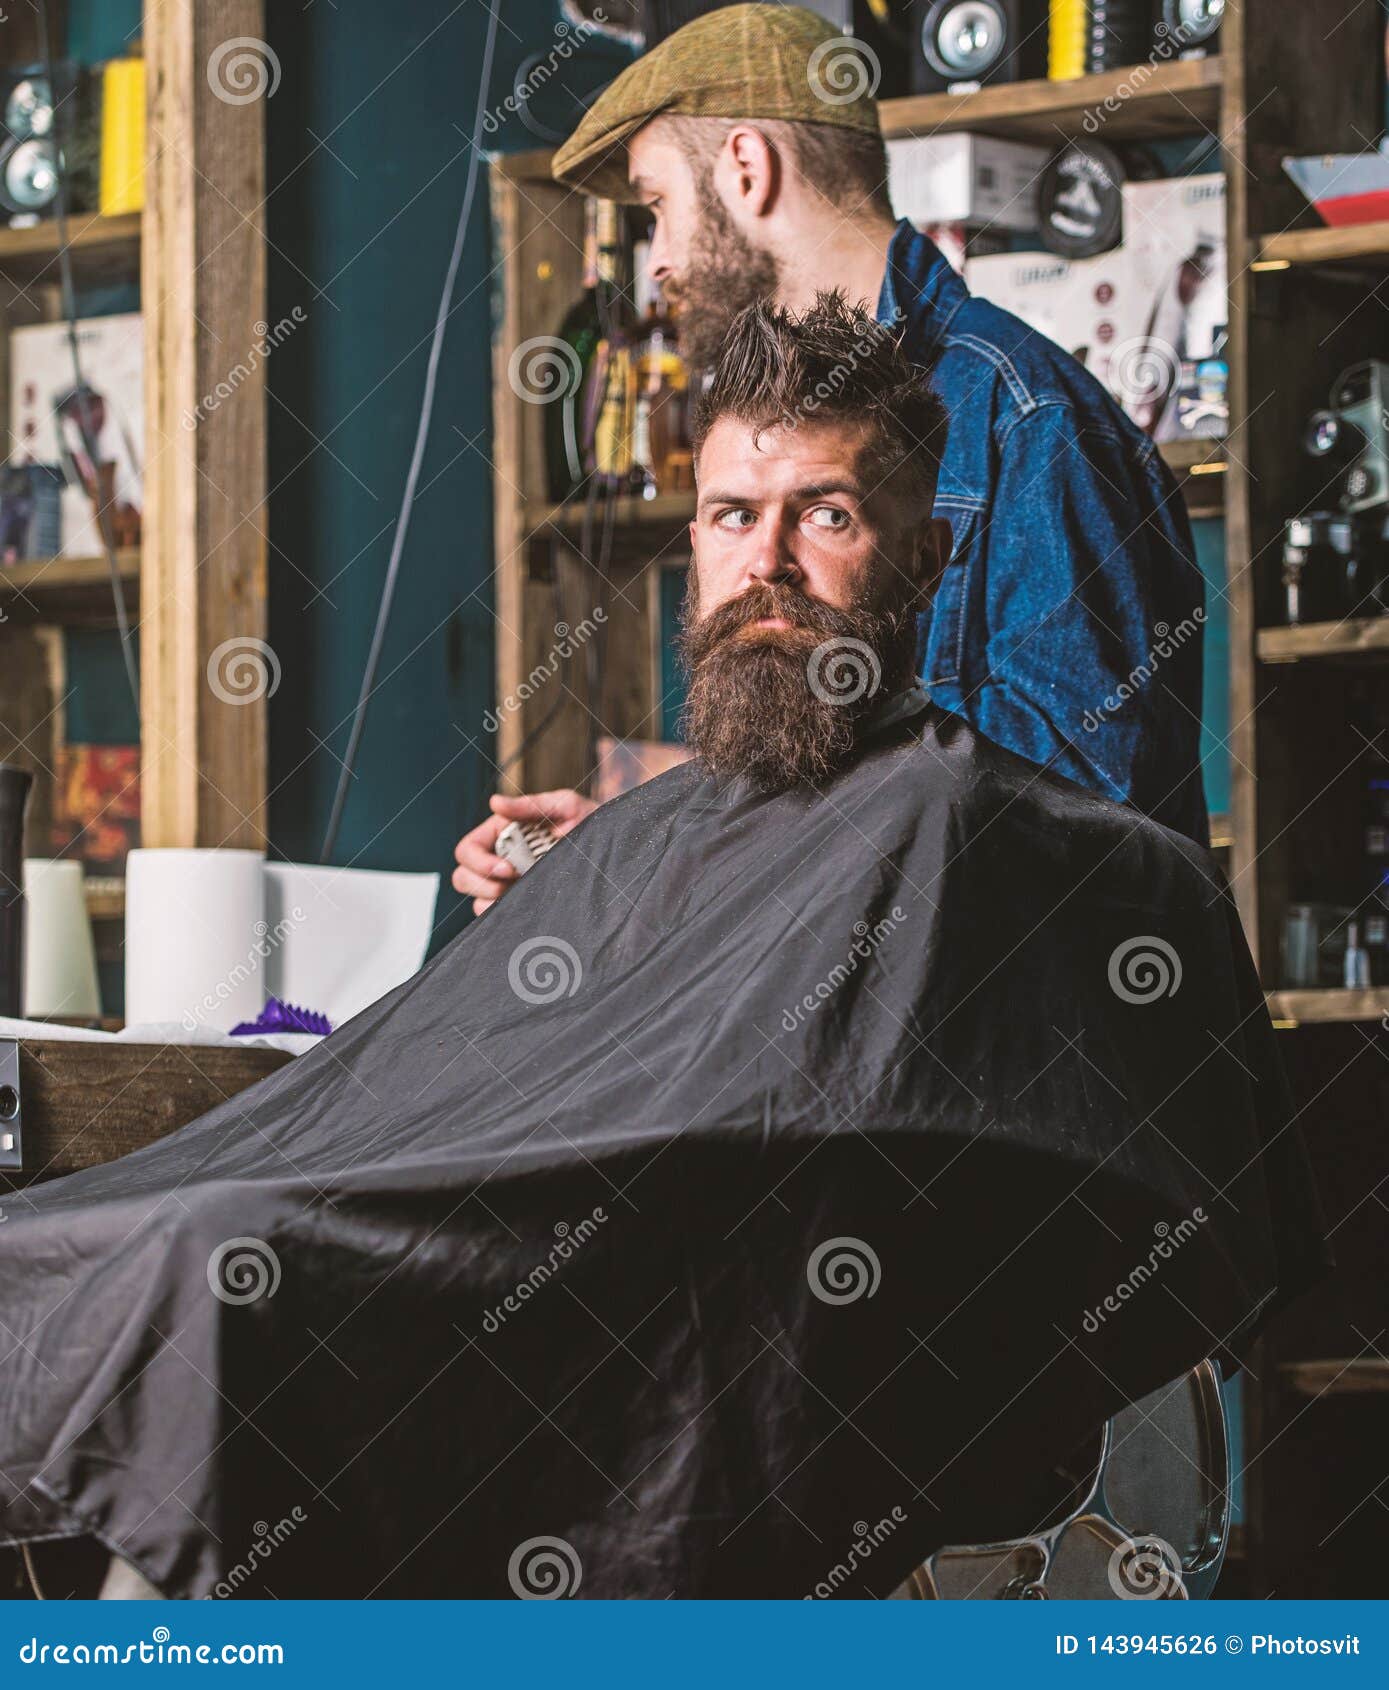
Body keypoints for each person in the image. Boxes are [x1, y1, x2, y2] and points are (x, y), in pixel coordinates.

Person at [0, 299, 1321, 1600]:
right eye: (735, 516)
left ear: (924, 559)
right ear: (693, 542)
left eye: (829, 514)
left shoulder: (962, 824)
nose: (770, 562)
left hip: (640, 1311)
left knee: (213, 1266)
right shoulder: (646, 833)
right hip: (500, 1253)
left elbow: (793, 1127)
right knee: (72, 1237)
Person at [455, 3, 1209, 916]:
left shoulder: (1024, 421)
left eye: (656, 206)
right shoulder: (808, 428)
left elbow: (1070, 829)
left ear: (745, 166)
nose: (653, 262)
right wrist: (635, 851)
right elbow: (858, 794)